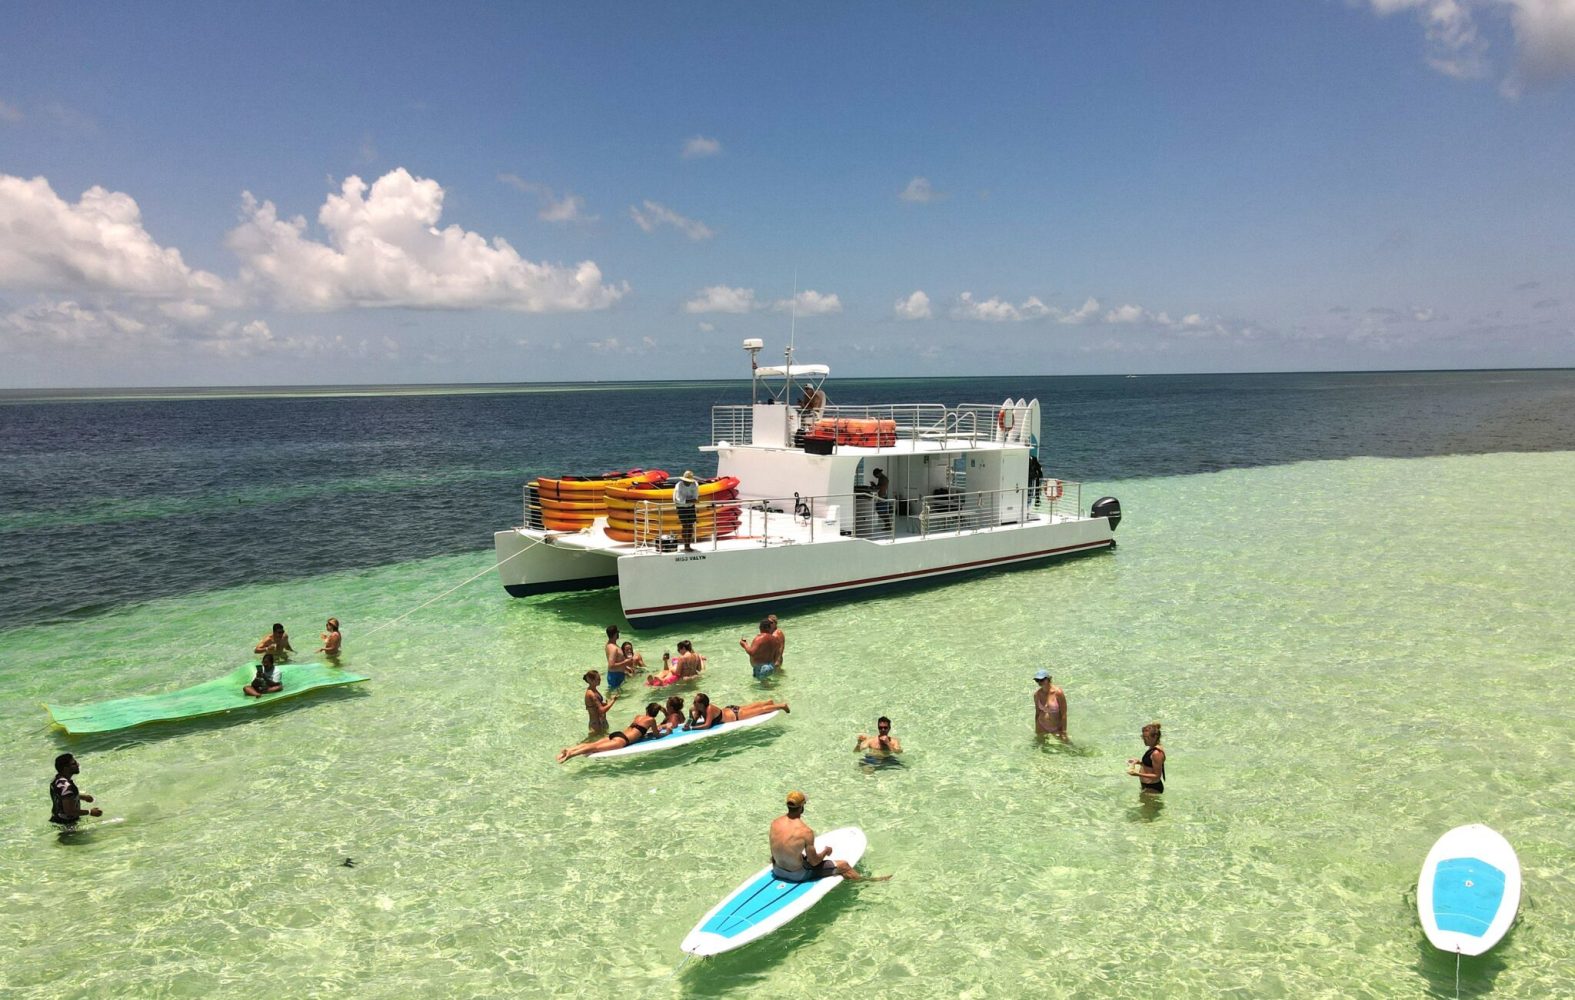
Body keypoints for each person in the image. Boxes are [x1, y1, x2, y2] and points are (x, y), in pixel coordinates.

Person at [769, 791, 885, 883]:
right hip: (797, 875)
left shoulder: (775, 823)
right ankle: (867, 882)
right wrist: (825, 851)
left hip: (777, 870)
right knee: (844, 866)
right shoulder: (806, 832)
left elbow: (775, 851)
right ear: (802, 807)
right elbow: (814, 862)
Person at [556, 702, 663, 762]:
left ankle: (569, 749)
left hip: (618, 734)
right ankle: (571, 754)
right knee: (595, 748)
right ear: (656, 713)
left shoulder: (639, 717)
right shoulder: (651, 720)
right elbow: (657, 735)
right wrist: (665, 732)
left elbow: (639, 729)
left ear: (647, 710)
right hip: (622, 741)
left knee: (593, 744)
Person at [684, 691, 790, 730]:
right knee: (751, 706)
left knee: (760, 710)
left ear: (702, 704)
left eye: (695, 702)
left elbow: (707, 725)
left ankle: (781, 705)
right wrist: (690, 713)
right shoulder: (699, 710)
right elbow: (692, 722)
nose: (693, 704)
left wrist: (692, 728)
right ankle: (768, 702)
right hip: (730, 709)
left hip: (736, 715)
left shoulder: (709, 709)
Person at [49, 753, 102, 827]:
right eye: (74, 763)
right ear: (65, 768)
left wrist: (83, 797)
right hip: (67, 824)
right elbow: (69, 811)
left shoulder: (57, 780)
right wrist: (90, 812)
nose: (78, 764)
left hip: (58, 819)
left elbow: (64, 796)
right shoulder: (66, 786)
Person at [1128, 722, 1166, 793]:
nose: (1144, 740)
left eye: (1147, 738)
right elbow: (1150, 765)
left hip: (1152, 788)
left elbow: (1157, 775)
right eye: (1143, 737)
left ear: (1155, 737)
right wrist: (1139, 762)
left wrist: (1136, 774)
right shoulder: (1151, 747)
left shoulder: (1156, 753)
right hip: (1147, 786)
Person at [1033, 669, 1068, 741]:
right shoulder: (1037, 694)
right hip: (1041, 725)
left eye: (1042, 680)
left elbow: (1063, 714)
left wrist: (1064, 732)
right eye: (1037, 680)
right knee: (1039, 748)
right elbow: (1037, 713)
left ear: (1048, 679)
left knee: (1068, 747)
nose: (1039, 682)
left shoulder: (1058, 693)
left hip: (1056, 727)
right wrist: (1036, 728)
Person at [673, 469, 700, 552]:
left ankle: (688, 544)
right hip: (681, 507)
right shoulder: (679, 485)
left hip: (690, 506)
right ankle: (686, 546)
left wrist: (690, 501)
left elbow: (695, 497)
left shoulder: (694, 484)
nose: (688, 482)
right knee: (685, 526)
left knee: (690, 525)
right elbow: (679, 500)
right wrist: (690, 500)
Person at [582, 670, 617, 735]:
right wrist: (613, 701)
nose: (600, 680)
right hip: (596, 727)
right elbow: (601, 710)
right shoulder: (591, 694)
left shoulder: (594, 690)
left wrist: (606, 703)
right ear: (591, 680)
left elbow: (596, 706)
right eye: (598, 679)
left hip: (601, 724)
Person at [605, 625, 632, 692]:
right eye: (618, 632)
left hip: (617, 675)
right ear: (615, 634)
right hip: (615, 676)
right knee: (615, 696)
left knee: (618, 696)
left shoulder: (611, 644)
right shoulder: (613, 648)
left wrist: (626, 667)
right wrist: (626, 662)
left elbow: (617, 659)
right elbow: (611, 665)